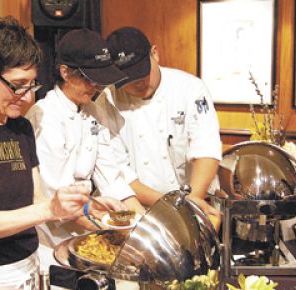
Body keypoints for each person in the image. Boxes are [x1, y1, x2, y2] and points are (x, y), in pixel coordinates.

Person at [0, 17, 121, 289]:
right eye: (17, 85)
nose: (28, 97)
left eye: (32, 85)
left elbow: (36, 198)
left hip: (28, 267)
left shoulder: (21, 129)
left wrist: (87, 206)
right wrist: (48, 210)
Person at [25, 28, 145, 268]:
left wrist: (140, 221)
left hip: (87, 220)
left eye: (100, 79)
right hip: (52, 236)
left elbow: (110, 173)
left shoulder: (93, 111)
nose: (96, 87)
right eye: (90, 79)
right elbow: (56, 194)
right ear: (65, 73)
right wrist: (109, 225)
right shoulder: (45, 117)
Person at [95, 27, 223, 225]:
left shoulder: (190, 89)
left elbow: (207, 148)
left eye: (142, 73)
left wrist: (191, 201)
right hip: (143, 209)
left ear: (155, 54)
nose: (137, 84)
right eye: (128, 80)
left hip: (196, 203)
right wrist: (171, 205)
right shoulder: (107, 102)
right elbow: (118, 171)